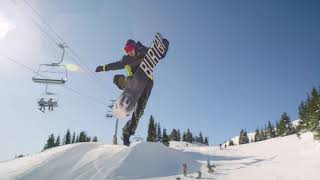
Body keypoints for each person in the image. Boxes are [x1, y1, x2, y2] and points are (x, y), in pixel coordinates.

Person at [95, 39, 168, 146]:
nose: (128, 52)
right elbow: (116, 65)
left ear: (134, 46)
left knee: (138, 113)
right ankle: (124, 84)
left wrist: (163, 46)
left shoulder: (146, 52)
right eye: (126, 50)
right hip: (132, 82)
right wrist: (103, 67)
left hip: (147, 85)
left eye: (129, 49)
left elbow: (160, 55)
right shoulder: (127, 59)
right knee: (117, 78)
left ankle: (127, 133)